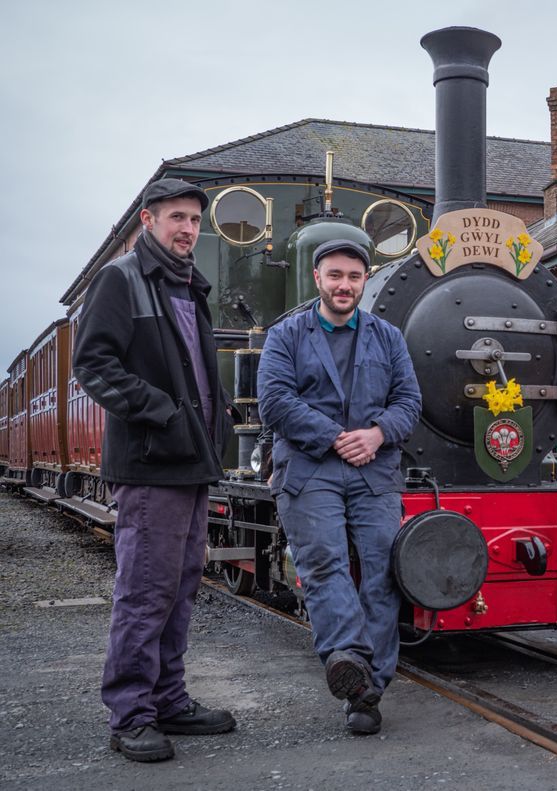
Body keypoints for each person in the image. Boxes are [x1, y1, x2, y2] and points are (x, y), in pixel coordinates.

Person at [72, 178, 236, 762]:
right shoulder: (120, 279)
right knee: (145, 591)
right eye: (176, 217)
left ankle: (168, 700)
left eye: (194, 219)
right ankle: (130, 716)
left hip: (191, 461)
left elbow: (192, 370)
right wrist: (164, 414)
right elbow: (92, 364)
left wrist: (217, 418)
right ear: (148, 220)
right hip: (151, 463)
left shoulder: (188, 284)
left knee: (180, 587)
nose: (188, 228)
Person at [257, 235, 421, 735]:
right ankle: (349, 665)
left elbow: (409, 402)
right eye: (335, 275)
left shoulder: (388, 337)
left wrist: (377, 433)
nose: (344, 285)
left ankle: (368, 687)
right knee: (325, 564)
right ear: (318, 278)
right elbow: (275, 402)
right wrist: (335, 437)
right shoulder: (285, 336)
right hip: (310, 468)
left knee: (384, 572)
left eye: (353, 276)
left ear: (365, 280)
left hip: (374, 467)